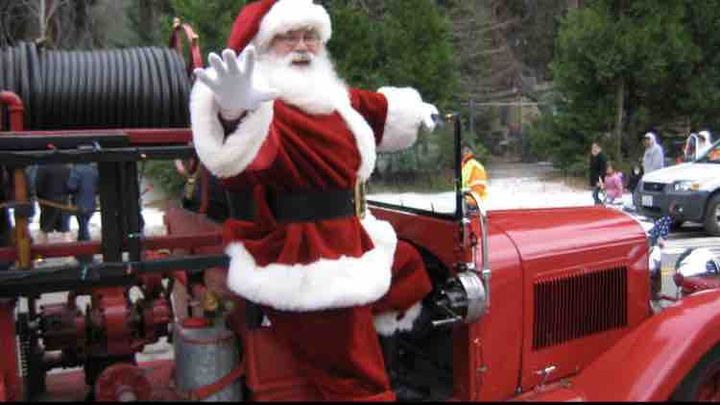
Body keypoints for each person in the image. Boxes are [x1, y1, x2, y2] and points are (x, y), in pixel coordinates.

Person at [190, 0, 436, 400]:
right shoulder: (265, 106)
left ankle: (403, 361)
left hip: (350, 233)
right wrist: (234, 112)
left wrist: (411, 110)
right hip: (302, 253)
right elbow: (243, 154)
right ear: (262, 46)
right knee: (354, 371)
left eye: (310, 37)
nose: (303, 46)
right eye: (288, 37)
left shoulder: (327, 96)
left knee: (412, 268)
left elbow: (370, 107)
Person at [34, 163, 72, 243]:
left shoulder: (43, 168)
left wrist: (39, 196)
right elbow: (70, 185)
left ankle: (42, 248)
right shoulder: (66, 168)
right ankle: (68, 248)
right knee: (65, 228)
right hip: (63, 200)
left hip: (47, 200)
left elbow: (38, 184)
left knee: (45, 227)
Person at [66, 163, 99, 242]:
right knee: (84, 224)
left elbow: (72, 186)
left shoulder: (76, 170)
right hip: (91, 201)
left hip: (80, 201)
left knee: (83, 224)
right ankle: (83, 241)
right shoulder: (94, 170)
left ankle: (85, 242)